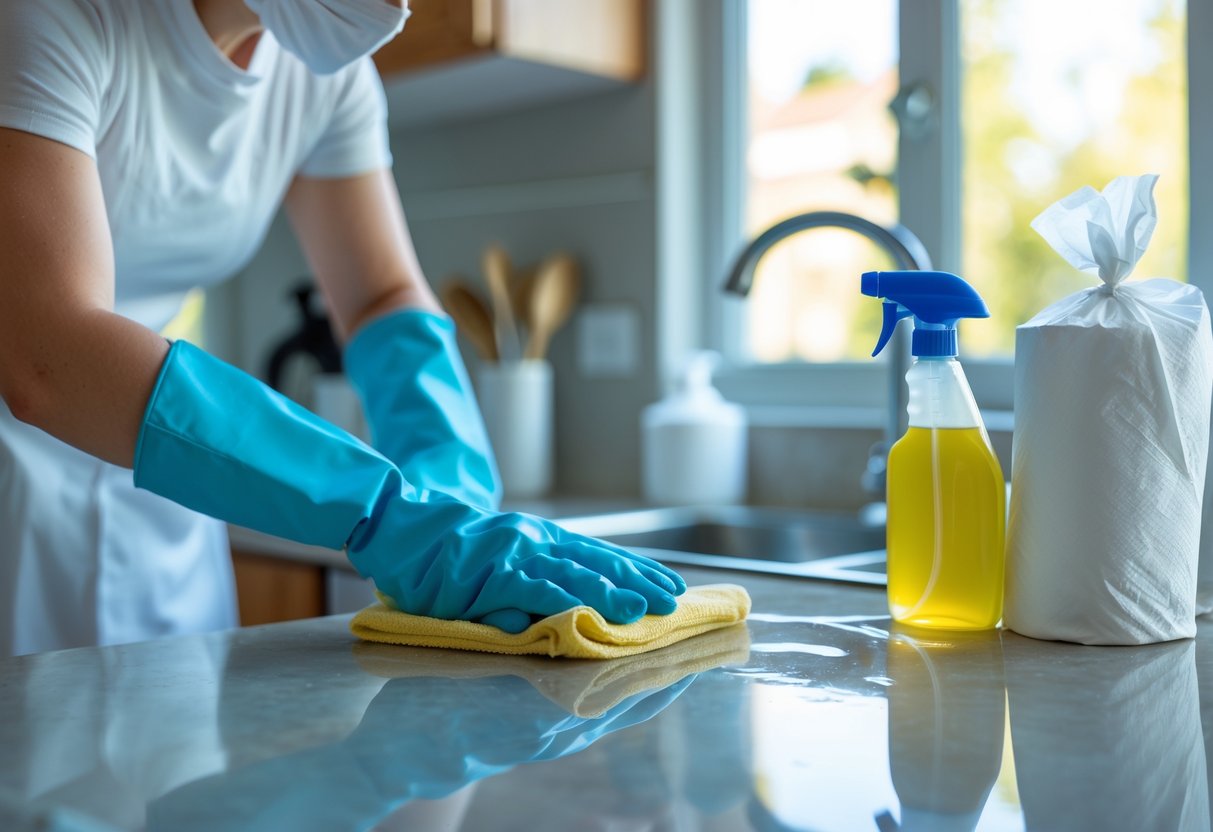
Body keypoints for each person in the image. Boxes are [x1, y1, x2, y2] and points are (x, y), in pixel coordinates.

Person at [0, 0, 686, 657]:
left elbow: (380, 294)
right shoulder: (53, 18)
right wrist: (380, 511)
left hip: (158, 482)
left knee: (172, 757)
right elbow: (44, 354)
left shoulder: (323, 73)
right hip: (20, 468)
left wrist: (449, 496)